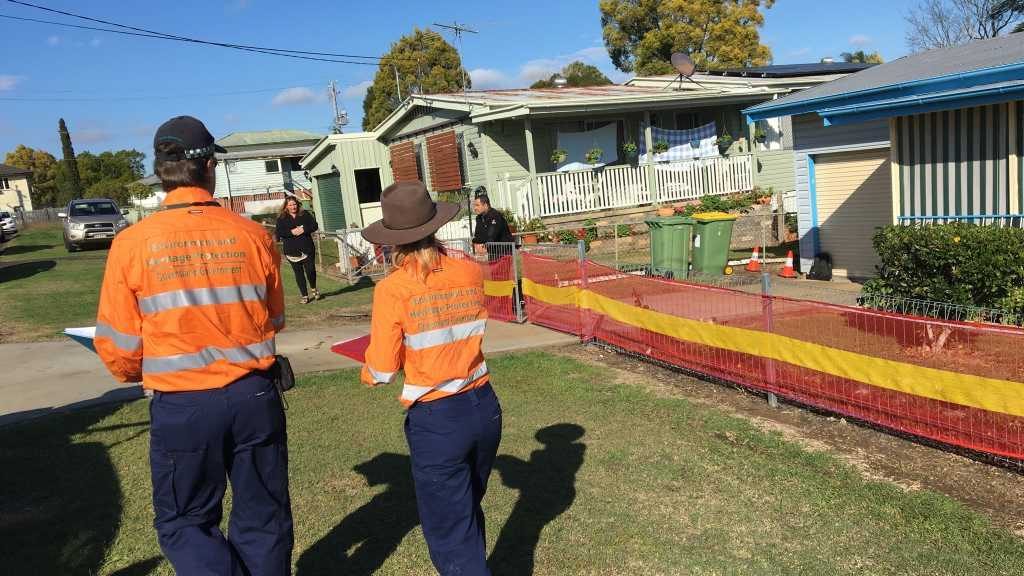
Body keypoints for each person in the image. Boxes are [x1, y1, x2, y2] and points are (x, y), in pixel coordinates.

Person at [95, 115, 293, 576]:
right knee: (263, 518)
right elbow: (275, 317)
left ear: (163, 172)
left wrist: (134, 372)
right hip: (253, 395)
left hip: (182, 404)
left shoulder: (131, 244)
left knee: (185, 522)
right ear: (210, 169)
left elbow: (119, 347)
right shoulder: (254, 235)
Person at [360, 181, 502, 576]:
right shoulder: (470, 272)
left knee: (451, 531)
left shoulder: (393, 289)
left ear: (393, 240)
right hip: (484, 406)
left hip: (438, 418)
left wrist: (367, 371)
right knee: (467, 512)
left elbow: (383, 369)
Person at [276, 196, 320, 304]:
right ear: (286, 206)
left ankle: (313, 288)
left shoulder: (305, 214)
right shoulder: (281, 218)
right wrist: (291, 232)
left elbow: (314, 226)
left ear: (297, 204)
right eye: (290, 205)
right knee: (298, 273)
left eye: (294, 204)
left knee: (310, 270)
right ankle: (304, 295)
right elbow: (279, 232)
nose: (293, 207)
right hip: (291, 251)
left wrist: (303, 229)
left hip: (307, 248)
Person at [471, 187, 514, 261]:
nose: (475, 208)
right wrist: (475, 243)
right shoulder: (479, 218)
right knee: (493, 272)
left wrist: (482, 244)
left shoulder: (495, 216)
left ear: (485, 205)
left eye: (477, 205)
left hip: (504, 252)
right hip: (493, 252)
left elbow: (491, 236)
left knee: (502, 272)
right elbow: (478, 235)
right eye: (474, 205)